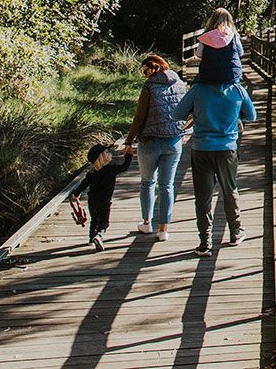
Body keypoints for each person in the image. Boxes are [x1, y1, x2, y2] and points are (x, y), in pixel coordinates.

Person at [172, 69, 256, 257]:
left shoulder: (198, 89)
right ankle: (235, 232)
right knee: (229, 189)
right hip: (227, 148)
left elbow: (176, 114)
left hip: (202, 148)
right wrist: (235, 117)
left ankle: (204, 241)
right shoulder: (237, 88)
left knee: (203, 195)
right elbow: (252, 116)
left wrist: (196, 111)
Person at [123, 55, 189, 241]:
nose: (145, 75)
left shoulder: (149, 87)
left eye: (146, 71)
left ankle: (147, 223)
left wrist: (128, 141)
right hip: (173, 141)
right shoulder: (178, 82)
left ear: (152, 69)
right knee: (167, 185)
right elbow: (186, 110)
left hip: (150, 141)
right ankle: (163, 230)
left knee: (147, 183)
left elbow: (139, 118)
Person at [71, 143, 132, 252]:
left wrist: (75, 194)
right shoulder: (111, 170)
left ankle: (91, 238)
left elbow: (83, 185)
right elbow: (125, 166)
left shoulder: (91, 173)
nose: (110, 154)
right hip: (105, 201)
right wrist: (129, 155)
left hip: (92, 201)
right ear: (102, 157)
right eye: (107, 152)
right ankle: (99, 236)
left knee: (94, 219)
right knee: (104, 221)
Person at [195, 8, 243, 84]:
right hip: (232, 75)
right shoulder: (233, 35)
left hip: (208, 75)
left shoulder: (206, 36)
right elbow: (240, 53)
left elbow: (198, 54)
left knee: (195, 83)